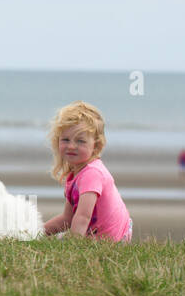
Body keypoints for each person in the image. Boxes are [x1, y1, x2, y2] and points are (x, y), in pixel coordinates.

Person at [42, 101, 132, 242]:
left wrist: (73, 246)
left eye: (80, 141)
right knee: (57, 239)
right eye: (65, 139)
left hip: (110, 239)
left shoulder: (92, 173)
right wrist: (36, 232)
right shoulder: (76, 173)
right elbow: (67, 218)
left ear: (95, 146)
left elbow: (83, 217)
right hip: (98, 233)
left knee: (61, 241)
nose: (71, 146)